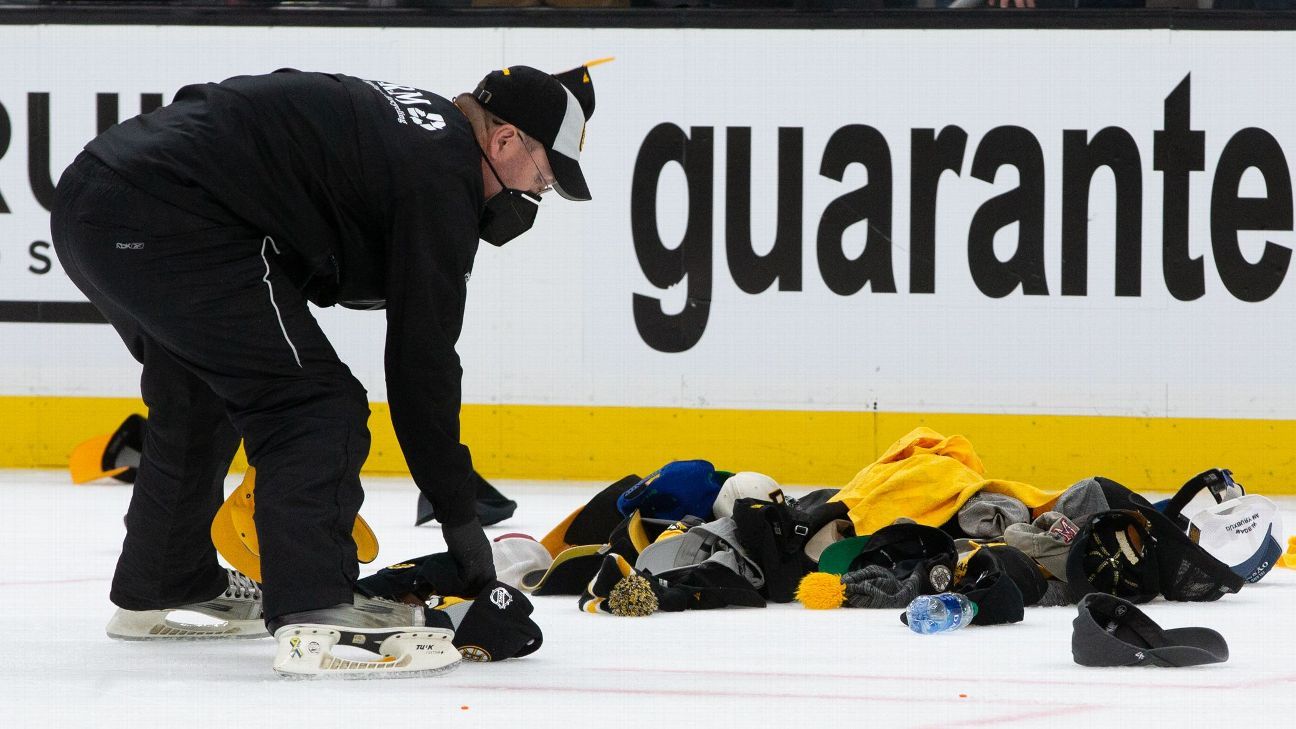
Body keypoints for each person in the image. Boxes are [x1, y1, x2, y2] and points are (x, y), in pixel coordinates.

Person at [50, 61, 599, 676]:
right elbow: (424, 365)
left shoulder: (420, 131)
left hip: (93, 200)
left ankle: (163, 581)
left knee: (198, 392)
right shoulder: (442, 175)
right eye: (544, 180)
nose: (534, 198)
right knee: (314, 405)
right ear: (503, 141)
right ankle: (316, 609)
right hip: (170, 217)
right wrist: (462, 522)